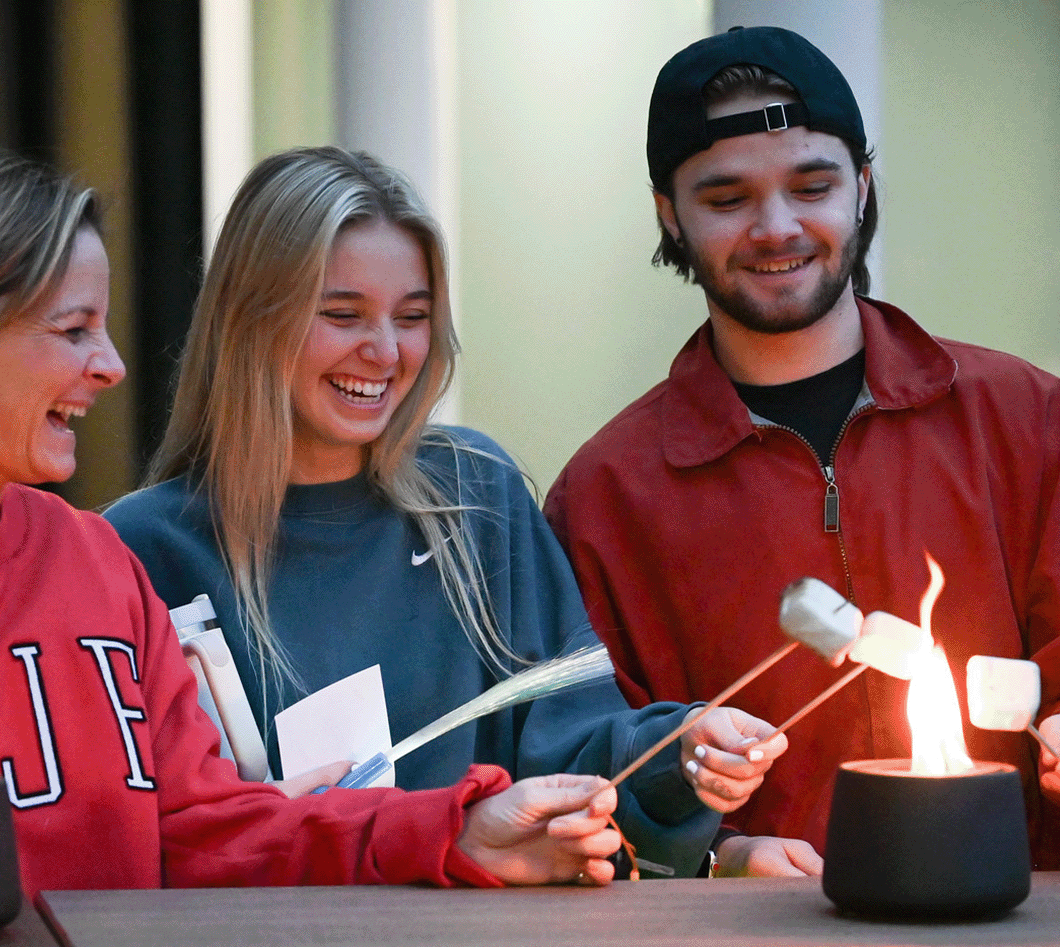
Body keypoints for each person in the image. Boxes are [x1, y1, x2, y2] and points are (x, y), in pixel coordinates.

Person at [0, 142, 626, 900]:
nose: (111, 366)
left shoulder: (93, 559)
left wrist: (454, 831)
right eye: (71, 331)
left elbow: (206, 827)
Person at [545, 26, 1060, 877]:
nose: (776, 227)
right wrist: (714, 854)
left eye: (811, 185)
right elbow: (589, 789)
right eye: (727, 197)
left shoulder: (1021, 419)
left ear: (860, 188)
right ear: (669, 213)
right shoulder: (606, 494)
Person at [103, 147, 783, 879]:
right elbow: (143, 835)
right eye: (342, 314)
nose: (386, 351)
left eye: (413, 316)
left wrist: (679, 750)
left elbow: (575, 750)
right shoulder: (137, 547)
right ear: (249, 321)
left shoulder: (475, 496)